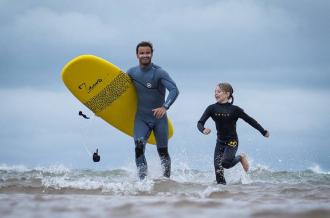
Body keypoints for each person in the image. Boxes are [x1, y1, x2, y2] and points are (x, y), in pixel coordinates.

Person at [197, 83, 269, 185]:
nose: (216, 94)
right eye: (215, 92)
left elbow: (250, 120)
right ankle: (222, 196)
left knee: (225, 164)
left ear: (227, 94)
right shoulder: (211, 108)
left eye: (219, 91)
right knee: (219, 174)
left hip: (232, 141)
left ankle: (240, 157)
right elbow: (200, 123)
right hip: (220, 142)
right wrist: (203, 129)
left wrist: (263, 131)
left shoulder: (235, 110)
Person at [127, 41, 179, 180]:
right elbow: (122, 93)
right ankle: (143, 182)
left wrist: (165, 107)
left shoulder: (159, 73)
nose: (145, 55)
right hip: (141, 118)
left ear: (152, 54)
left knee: (162, 152)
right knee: (138, 148)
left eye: (148, 53)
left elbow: (174, 90)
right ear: (137, 55)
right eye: (142, 53)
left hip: (159, 119)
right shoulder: (131, 72)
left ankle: (166, 180)